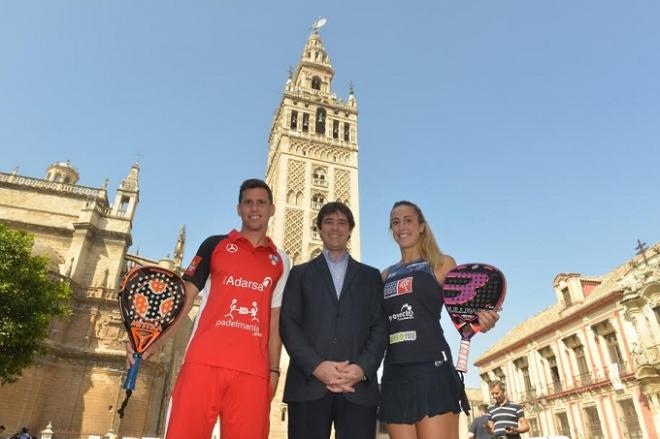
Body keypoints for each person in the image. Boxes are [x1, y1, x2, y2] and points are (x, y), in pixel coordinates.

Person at [126, 178, 290, 439]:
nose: (254, 208)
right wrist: (153, 342)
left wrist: (273, 370)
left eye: (261, 202)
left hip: (253, 372)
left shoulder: (281, 260)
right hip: (203, 363)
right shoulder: (214, 245)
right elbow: (185, 299)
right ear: (239, 209)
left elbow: (275, 320)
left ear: (272, 208)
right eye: (248, 202)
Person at [379, 200, 499, 439]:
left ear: (422, 226)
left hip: (431, 369)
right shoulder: (384, 275)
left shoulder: (442, 265)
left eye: (408, 220)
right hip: (393, 373)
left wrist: (484, 322)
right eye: (395, 222)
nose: (401, 226)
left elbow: (467, 318)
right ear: (391, 230)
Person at [280, 202, 387, 439]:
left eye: (342, 222)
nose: (335, 228)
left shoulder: (370, 276)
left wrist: (361, 369)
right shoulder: (299, 274)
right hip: (308, 386)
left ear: (351, 229)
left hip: (358, 388)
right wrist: (316, 366)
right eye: (328, 222)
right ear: (318, 229)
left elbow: (380, 327)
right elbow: (288, 324)